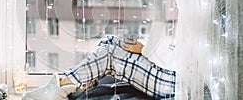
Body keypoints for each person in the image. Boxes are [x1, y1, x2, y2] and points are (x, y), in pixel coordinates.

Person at [22, 22, 177, 100]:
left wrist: (145, 50)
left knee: (109, 53)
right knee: (110, 41)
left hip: (176, 83)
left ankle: (59, 88)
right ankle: (80, 83)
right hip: (172, 71)